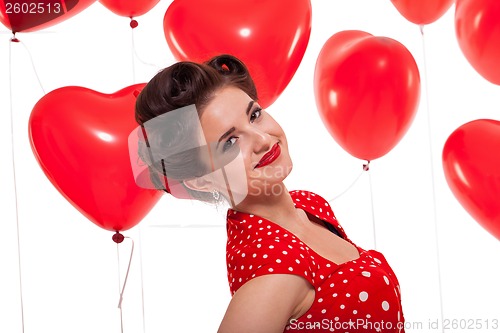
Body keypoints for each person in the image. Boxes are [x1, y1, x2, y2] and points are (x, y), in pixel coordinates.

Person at [133, 54, 405, 332]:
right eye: (230, 142)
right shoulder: (273, 270)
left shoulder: (310, 205)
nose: (263, 140)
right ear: (200, 181)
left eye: (254, 115)